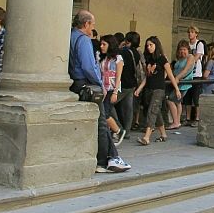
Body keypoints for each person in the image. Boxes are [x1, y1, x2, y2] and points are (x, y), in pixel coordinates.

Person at [67, 10, 130, 173]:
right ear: (86, 24)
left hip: (74, 82)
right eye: (92, 24)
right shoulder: (84, 40)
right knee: (101, 122)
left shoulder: (70, 36)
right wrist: (100, 83)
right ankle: (104, 160)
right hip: (86, 84)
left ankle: (112, 157)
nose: (93, 27)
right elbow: (89, 66)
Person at [135, 36, 182, 145]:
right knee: (156, 112)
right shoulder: (148, 59)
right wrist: (140, 88)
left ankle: (146, 137)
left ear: (156, 45)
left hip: (159, 89)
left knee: (152, 111)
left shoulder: (162, 59)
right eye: (147, 45)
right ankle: (163, 134)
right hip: (149, 89)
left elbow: (170, 75)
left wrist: (177, 89)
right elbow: (147, 78)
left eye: (151, 45)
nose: (149, 47)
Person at [98, 34, 126, 143]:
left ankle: (118, 130)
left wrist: (115, 92)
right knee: (105, 111)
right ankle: (115, 130)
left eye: (104, 44)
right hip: (102, 88)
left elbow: (118, 76)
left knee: (105, 111)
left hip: (111, 88)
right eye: (101, 44)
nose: (101, 46)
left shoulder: (118, 58)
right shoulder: (101, 57)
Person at [167, 40, 194, 130]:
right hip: (176, 83)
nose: (182, 51)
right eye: (180, 49)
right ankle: (177, 121)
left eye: (184, 49)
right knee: (178, 102)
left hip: (183, 83)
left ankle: (175, 121)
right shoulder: (179, 59)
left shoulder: (190, 57)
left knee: (170, 100)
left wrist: (177, 78)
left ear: (188, 49)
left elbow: (186, 70)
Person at [185, 26, 205, 126]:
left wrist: (189, 62)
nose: (190, 34)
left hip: (196, 73)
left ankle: (197, 118)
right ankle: (188, 118)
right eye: (189, 32)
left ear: (196, 34)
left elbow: (197, 57)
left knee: (196, 97)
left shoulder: (199, 44)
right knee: (187, 96)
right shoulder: (187, 44)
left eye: (192, 32)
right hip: (188, 74)